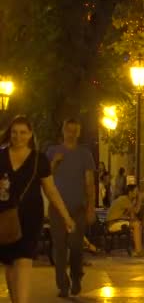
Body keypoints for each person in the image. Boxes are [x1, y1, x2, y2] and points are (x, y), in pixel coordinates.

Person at [0, 116, 75, 303]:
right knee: (9, 263)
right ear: (9, 133)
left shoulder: (38, 159)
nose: (18, 136)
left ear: (30, 134)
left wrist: (66, 216)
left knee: (24, 259)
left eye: (23, 132)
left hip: (30, 216)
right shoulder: (0, 156)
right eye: (15, 132)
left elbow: (51, 190)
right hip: (5, 216)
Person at [47, 118, 96, 298]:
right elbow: (45, 178)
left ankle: (76, 277)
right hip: (57, 209)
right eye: (68, 129)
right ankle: (63, 285)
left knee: (76, 246)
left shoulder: (85, 154)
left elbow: (89, 183)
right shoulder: (52, 151)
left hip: (78, 208)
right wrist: (54, 163)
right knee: (59, 247)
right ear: (63, 130)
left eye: (75, 130)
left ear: (79, 132)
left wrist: (91, 207)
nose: (71, 133)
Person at [106, 184, 143, 256]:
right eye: (136, 191)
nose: (137, 193)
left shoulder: (126, 200)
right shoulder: (124, 199)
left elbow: (132, 215)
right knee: (136, 225)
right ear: (130, 192)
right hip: (112, 224)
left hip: (116, 222)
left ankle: (138, 250)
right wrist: (140, 200)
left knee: (137, 224)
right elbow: (136, 211)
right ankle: (138, 251)